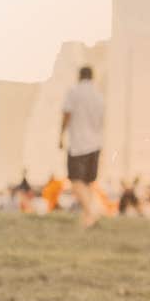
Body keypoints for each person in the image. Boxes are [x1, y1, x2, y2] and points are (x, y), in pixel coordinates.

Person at [59, 65, 105, 228]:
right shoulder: (99, 95)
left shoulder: (74, 92)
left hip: (78, 144)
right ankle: (89, 220)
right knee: (88, 183)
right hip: (96, 143)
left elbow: (67, 114)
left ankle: (92, 212)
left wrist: (61, 135)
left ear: (79, 76)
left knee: (76, 182)